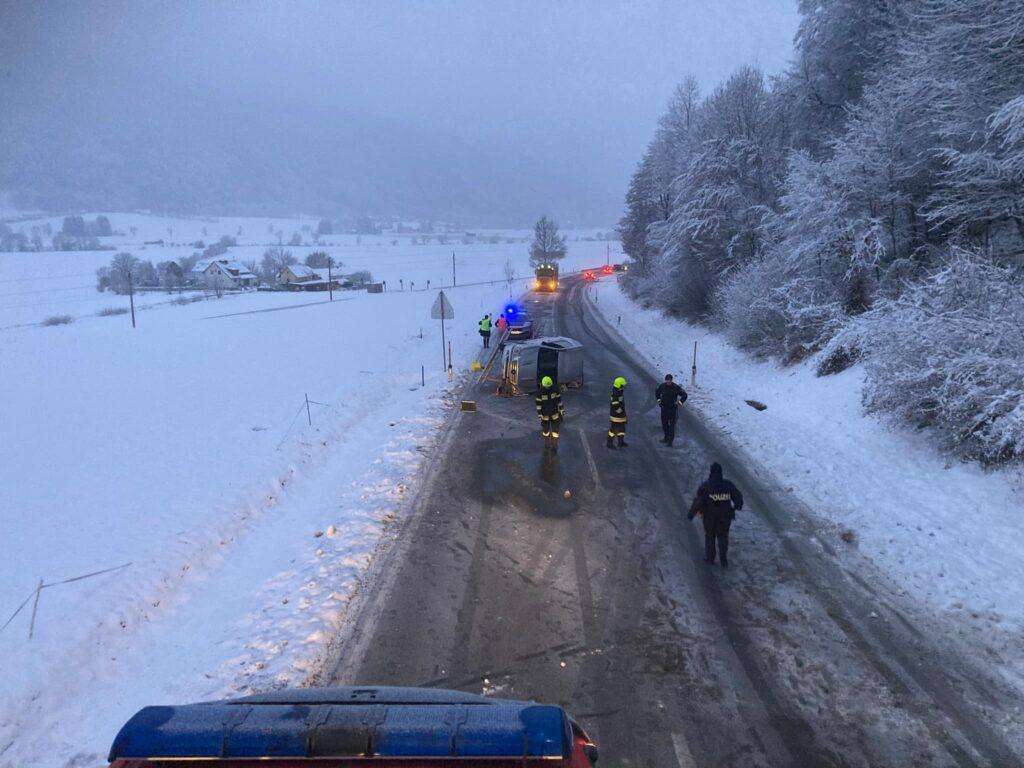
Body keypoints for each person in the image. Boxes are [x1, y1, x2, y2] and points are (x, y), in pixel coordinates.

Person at [688, 462, 744, 568]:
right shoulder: (728, 485)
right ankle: (723, 559)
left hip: (709, 517)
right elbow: (738, 496)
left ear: (711, 473)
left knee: (710, 536)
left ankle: (710, 558)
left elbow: (698, 501)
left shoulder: (705, 486)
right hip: (725, 517)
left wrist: (691, 514)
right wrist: (737, 506)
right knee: (723, 537)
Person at [654, 373, 688, 446]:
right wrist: (659, 401)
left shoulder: (676, 387)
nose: (668, 382)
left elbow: (684, 395)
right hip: (664, 408)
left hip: (673, 409)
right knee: (664, 424)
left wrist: (679, 403)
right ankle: (666, 438)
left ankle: (670, 442)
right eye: (667, 380)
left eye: (669, 381)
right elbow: (657, 393)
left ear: (671, 380)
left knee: (672, 426)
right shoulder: (662, 386)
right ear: (665, 380)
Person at [535, 375, 564, 452]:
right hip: (554, 414)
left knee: (547, 431)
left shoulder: (540, 393)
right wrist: (562, 412)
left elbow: (538, 406)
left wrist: (540, 415)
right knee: (554, 431)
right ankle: (553, 445)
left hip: (545, 416)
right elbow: (559, 402)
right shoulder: (555, 390)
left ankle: (548, 444)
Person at [606, 376, 628, 449]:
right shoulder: (616, 393)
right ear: (619, 385)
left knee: (622, 429)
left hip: (620, 415)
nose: (624, 386)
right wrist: (621, 413)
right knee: (613, 430)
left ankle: (620, 442)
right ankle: (609, 443)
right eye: (623, 385)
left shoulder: (619, 390)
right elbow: (615, 405)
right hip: (616, 415)